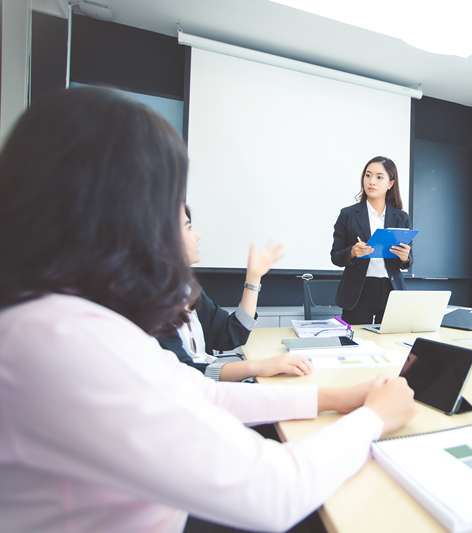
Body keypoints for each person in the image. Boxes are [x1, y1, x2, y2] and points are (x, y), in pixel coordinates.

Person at [0, 86, 417, 532]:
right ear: (118, 205)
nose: (178, 220)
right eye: (168, 199)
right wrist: (374, 417)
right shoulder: (61, 340)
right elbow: (273, 493)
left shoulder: (70, 317)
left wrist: (340, 397)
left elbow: (203, 392)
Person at [158, 205, 312, 381]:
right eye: (189, 227)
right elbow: (185, 373)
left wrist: (253, 278)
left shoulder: (186, 289)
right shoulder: (147, 305)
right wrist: (257, 366)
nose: (198, 235)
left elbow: (231, 333)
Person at [331, 156, 412, 325]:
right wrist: (352, 252)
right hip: (358, 292)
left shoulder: (401, 218)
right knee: (355, 345)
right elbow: (336, 256)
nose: (371, 181)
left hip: (392, 292)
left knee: (390, 346)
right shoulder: (348, 215)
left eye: (379, 177)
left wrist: (405, 258)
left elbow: (407, 262)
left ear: (390, 183)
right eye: (368, 175)